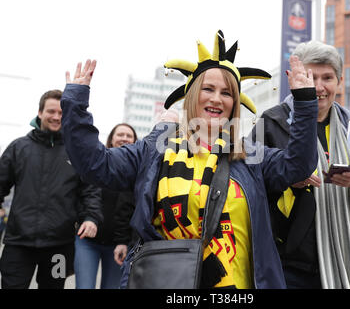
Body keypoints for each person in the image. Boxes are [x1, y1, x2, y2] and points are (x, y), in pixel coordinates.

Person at [60, 30, 319, 289]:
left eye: (227, 93)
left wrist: (305, 103)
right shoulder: (155, 151)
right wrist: (75, 104)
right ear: (193, 96)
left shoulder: (251, 156)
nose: (216, 98)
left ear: (234, 104)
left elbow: (298, 165)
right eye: (208, 89)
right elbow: (95, 165)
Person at [251, 40, 350, 289]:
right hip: (284, 265)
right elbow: (247, 185)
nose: (319, 87)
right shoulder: (272, 122)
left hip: (339, 261)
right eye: (310, 77)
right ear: (295, 80)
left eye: (327, 77)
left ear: (339, 81)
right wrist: (288, 177)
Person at [0, 90, 103, 289]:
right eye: (51, 111)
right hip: (18, 243)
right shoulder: (18, 148)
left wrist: (91, 218)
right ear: (40, 113)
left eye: (61, 113)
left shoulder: (77, 153)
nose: (56, 117)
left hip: (59, 247)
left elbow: (90, 191)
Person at [73, 123, 138, 289]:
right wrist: (88, 218)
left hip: (119, 244)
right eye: (120, 134)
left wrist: (124, 241)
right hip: (87, 241)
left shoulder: (138, 171)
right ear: (111, 139)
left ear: (135, 141)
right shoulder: (98, 164)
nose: (124, 138)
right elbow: (87, 194)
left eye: (129, 135)